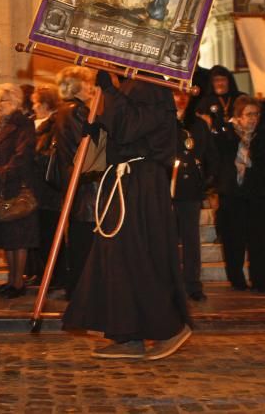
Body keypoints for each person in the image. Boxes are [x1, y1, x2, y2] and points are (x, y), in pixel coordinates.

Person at [63, 71, 192, 360]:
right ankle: (127, 332)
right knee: (117, 257)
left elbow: (131, 126)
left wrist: (110, 91)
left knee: (137, 254)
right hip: (125, 179)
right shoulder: (133, 88)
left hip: (140, 181)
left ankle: (169, 327)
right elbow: (117, 132)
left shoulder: (150, 87)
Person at [0, 84, 39, 299]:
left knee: (19, 238)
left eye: (1, 100)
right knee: (8, 238)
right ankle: (10, 281)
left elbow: (23, 155)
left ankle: (18, 282)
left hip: (17, 186)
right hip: (0, 188)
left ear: (14, 102)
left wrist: (1, 173)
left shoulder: (23, 124)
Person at [216, 96, 265, 293]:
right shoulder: (226, 135)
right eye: (249, 114)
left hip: (258, 195)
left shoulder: (264, 136)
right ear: (239, 116)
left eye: (256, 114)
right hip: (232, 195)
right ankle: (237, 280)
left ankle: (260, 282)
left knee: (259, 241)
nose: (253, 119)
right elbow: (218, 161)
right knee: (233, 239)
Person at [51, 66, 103, 299]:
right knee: (85, 243)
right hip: (87, 187)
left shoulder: (68, 111)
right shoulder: (76, 112)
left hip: (80, 185)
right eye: (88, 83)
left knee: (82, 242)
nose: (92, 87)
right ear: (77, 86)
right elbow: (89, 145)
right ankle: (83, 292)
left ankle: (80, 289)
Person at [172, 89, 217, 301]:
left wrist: (206, 180)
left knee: (191, 239)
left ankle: (192, 284)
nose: (181, 99)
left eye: (185, 95)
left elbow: (209, 155)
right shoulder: (161, 121)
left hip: (190, 190)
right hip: (166, 189)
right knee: (167, 238)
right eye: (176, 94)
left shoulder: (198, 125)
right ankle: (169, 284)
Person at [29, 85, 65, 288]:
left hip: (48, 189)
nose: (33, 107)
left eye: (35, 103)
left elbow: (45, 155)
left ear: (43, 104)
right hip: (40, 189)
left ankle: (56, 277)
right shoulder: (39, 125)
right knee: (41, 235)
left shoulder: (53, 125)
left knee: (50, 235)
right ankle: (43, 273)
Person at [197, 65, 244, 134]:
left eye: (223, 80)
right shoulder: (205, 101)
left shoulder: (240, 98)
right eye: (216, 80)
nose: (220, 83)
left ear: (229, 81)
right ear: (212, 83)